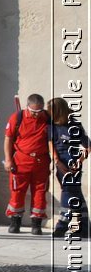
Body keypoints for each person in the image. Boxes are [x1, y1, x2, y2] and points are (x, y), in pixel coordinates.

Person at [4, 94, 51, 234]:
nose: (37, 114)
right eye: (34, 111)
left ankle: (36, 224)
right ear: (27, 107)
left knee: (40, 193)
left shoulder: (47, 118)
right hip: (21, 160)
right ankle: (15, 221)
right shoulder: (17, 118)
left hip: (41, 162)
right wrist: (8, 159)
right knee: (17, 191)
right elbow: (8, 139)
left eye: (40, 111)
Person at [47, 97, 86, 239]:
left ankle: (61, 226)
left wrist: (78, 162)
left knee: (68, 193)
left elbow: (87, 146)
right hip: (61, 162)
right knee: (75, 194)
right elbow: (51, 142)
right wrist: (57, 161)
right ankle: (85, 226)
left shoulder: (74, 125)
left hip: (72, 163)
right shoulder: (52, 125)